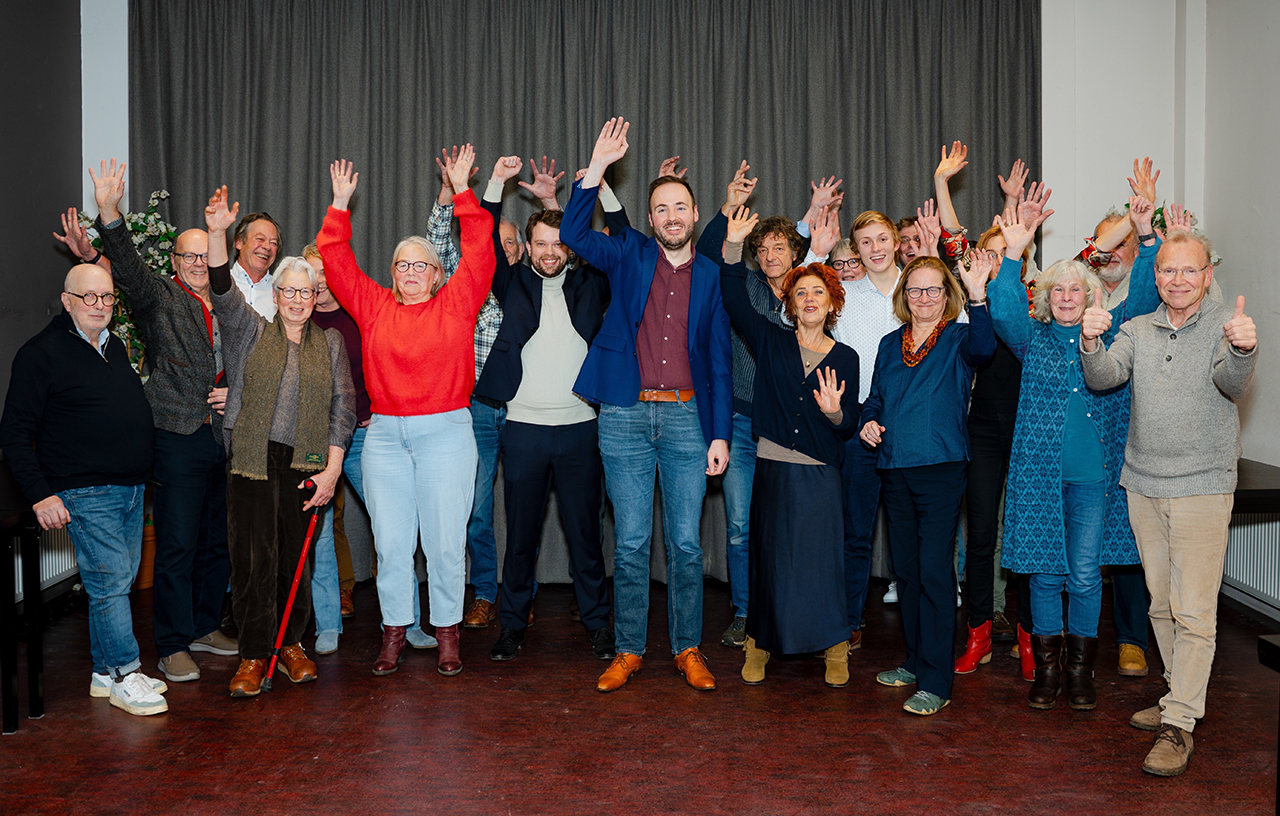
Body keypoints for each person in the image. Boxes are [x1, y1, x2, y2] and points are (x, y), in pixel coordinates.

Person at [561, 118, 732, 693]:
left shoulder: (711, 276)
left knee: (685, 545)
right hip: (626, 418)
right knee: (631, 542)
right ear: (652, 217)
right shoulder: (628, 253)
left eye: (681, 207)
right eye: (661, 208)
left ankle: (687, 648)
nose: (673, 217)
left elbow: (718, 361)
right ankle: (629, 649)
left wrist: (720, 434)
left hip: (688, 420)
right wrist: (596, 167)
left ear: (692, 212)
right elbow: (575, 236)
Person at [1080, 229, 1257, 777]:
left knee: (1196, 611)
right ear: (1155, 276)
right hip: (1144, 484)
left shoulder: (1226, 327)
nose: (1177, 279)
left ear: (1207, 274)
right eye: (1168, 270)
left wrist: (1245, 350)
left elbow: (1232, 384)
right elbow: (1105, 377)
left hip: (1203, 484)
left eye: (1189, 270)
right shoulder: (1137, 327)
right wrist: (1089, 343)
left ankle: (1179, 723)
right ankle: (1176, 693)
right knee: (1161, 605)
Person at [317, 151, 496, 678]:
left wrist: (463, 191)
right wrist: (340, 204)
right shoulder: (373, 306)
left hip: (446, 433)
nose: (412, 271)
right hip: (386, 439)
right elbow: (336, 260)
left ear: (440, 275)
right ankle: (394, 631)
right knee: (391, 543)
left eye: (422, 264)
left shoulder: (459, 303)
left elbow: (481, 250)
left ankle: (446, 633)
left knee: (444, 542)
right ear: (392, 273)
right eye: (402, 264)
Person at [990, 197, 1161, 711]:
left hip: (1094, 478)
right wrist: (1013, 256)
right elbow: (1000, 307)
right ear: (1045, 298)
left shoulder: (1114, 329)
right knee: (1044, 573)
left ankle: (1081, 672)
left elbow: (1148, 294)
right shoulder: (1032, 337)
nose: (1066, 296)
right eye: (1057, 289)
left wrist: (1146, 238)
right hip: (1039, 476)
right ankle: (1048, 672)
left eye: (1076, 289)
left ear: (1093, 296)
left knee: (1085, 574)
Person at [73, 160, 237, 686]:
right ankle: (171, 644)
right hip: (177, 436)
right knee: (178, 543)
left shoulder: (229, 300)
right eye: (186, 255)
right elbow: (127, 267)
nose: (195, 262)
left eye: (202, 254)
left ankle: (205, 627)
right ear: (173, 259)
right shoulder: (158, 296)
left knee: (218, 541)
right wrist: (109, 212)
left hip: (222, 438)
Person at [205, 187, 355, 697]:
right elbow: (222, 290)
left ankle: (291, 646)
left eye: (305, 291)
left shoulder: (331, 344)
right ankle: (252, 655)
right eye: (287, 290)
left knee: (296, 558)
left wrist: (331, 470)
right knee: (252, 558)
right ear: (277, 296)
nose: (296, 298)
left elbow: (343, 408)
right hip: (252, 459)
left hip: (307, 463)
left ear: (315, 297)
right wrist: (218, 233)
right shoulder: (250, 330)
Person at [0, 262, 165, 715]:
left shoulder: (113, 346)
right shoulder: (41, 353)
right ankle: (125, 674)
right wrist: (40, 494)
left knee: (116, 582)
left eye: (108, 297)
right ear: (68, 300)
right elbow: (13, 433)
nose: (100, 305)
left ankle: (102, 671)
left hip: (131, 488)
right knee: (110, 582)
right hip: (84, 492)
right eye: (89, 297)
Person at [478, 165, 626, 662]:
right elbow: (481, 233)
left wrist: (598, 193)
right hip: (522, 433)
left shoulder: (593, 283)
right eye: (539, 242)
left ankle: (598, 627)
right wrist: (494, 185)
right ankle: (512, 626)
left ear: (571, 246)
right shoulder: (512, 281)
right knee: (519, 540)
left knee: (587, 540)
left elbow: (620, 239)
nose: (548, 252)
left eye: (558, 243)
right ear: (527, 244)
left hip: (581, 433)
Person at [719, 207, 859, 687]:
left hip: (821, 471)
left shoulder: (847, 357)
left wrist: (836, 411)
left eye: (818, 292)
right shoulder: (770, 340)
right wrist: (735, 245)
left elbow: (848, 426)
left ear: (831, 301)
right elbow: (734, 295)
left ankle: (835, 649)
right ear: (791, 303)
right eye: (801, 293)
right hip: (774, 467)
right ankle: (758, 646)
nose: (810, 299)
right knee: (770, 558)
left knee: (821, 560)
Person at [860, 253, 995, 715]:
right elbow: (875, 398)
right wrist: (868, 422)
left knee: (936, 573)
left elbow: (985, 350)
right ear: (903, 296)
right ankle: (916, 662)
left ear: (947, 295)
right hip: (894, 467)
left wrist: (978, 297)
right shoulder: (886, 344)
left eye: (933, 289)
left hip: (941, 466)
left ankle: (937, 681)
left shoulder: (960, 338)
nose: (923, 297)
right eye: (914, 289)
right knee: (909, 572)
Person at [229, 211, 283, 320]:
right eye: (260, 239)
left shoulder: (282, 292)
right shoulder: (219, 284)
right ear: (239, 242)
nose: (267, 247)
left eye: (273, 243)